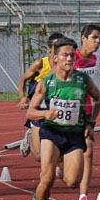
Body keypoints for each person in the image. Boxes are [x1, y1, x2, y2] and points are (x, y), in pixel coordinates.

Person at [27, 37, 100, 200]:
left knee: (72, 182)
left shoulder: (83, 80)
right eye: (65, 55)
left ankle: (60, 169)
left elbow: (98, 99)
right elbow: (31, 111)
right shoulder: (47, 82)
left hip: (74, 135)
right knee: (47, 178)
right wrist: (45, 113)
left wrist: (91, 122)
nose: (69, 59)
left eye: (71, 55)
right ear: (55, 58)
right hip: (52, 132)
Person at [17, 33, 65, 161]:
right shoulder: (41, 64)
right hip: (39, 109)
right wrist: (23, 97)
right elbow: (23, 80)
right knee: (39, 156)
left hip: (56, 110)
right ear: (49, 49)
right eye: (56, 46)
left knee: (57, 153)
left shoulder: (66, 65)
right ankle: (31, 135)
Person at [73, 24, 100, 200]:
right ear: (83, 38)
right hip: (66, 112)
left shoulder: (93, 59)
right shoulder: (70, 57)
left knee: (88, 151)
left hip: (86, 112)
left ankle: (83, 196)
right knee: (60, 163)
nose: (98, 42)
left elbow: (93, 91)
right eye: (94, 37)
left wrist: (92, 121)